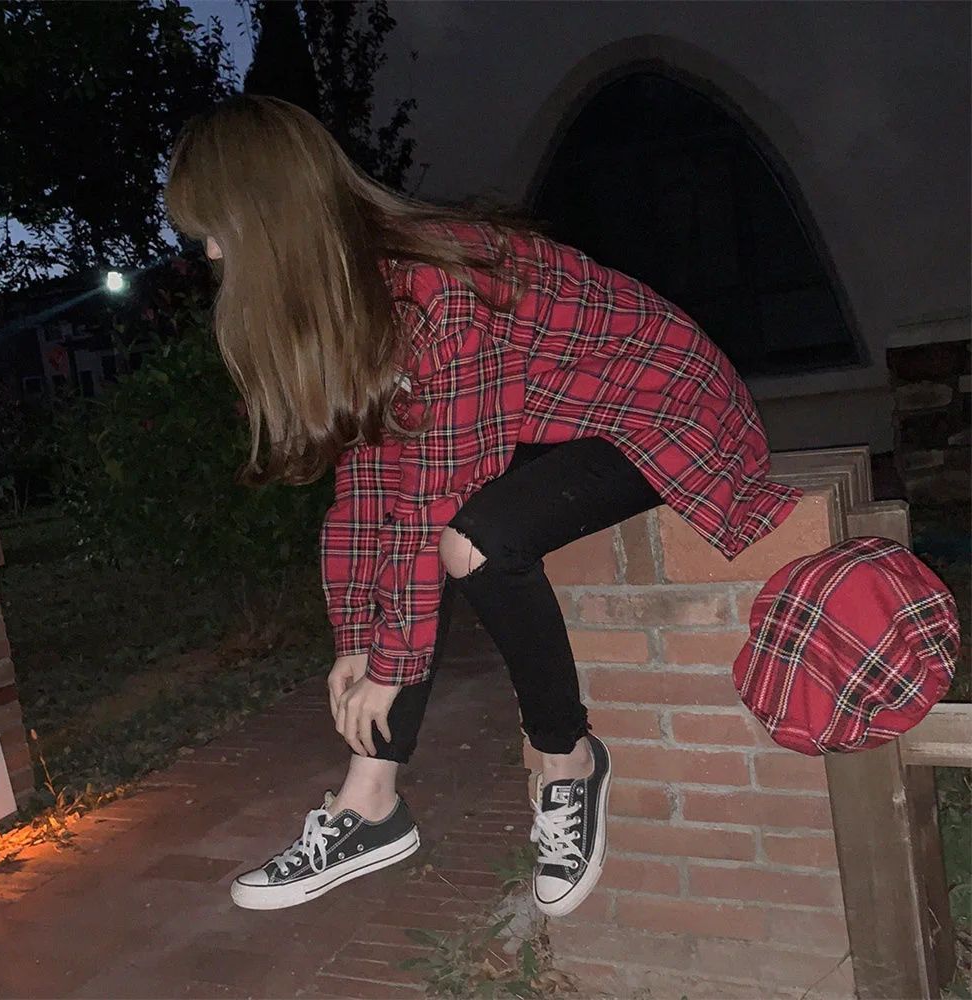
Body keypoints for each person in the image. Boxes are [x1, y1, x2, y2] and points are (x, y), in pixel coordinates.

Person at [164, 94, 802, 918]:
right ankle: (369, 804)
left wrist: (391, 666)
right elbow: (370, 485)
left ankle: (569, 761)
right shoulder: (360, 297)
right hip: (565, 421)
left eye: (216, 229)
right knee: (427, 540)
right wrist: (354, 640)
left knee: (474, 541)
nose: (213, 252)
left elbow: (438, 497)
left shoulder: (435, 286)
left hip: (669, 412)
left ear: (268, 216)